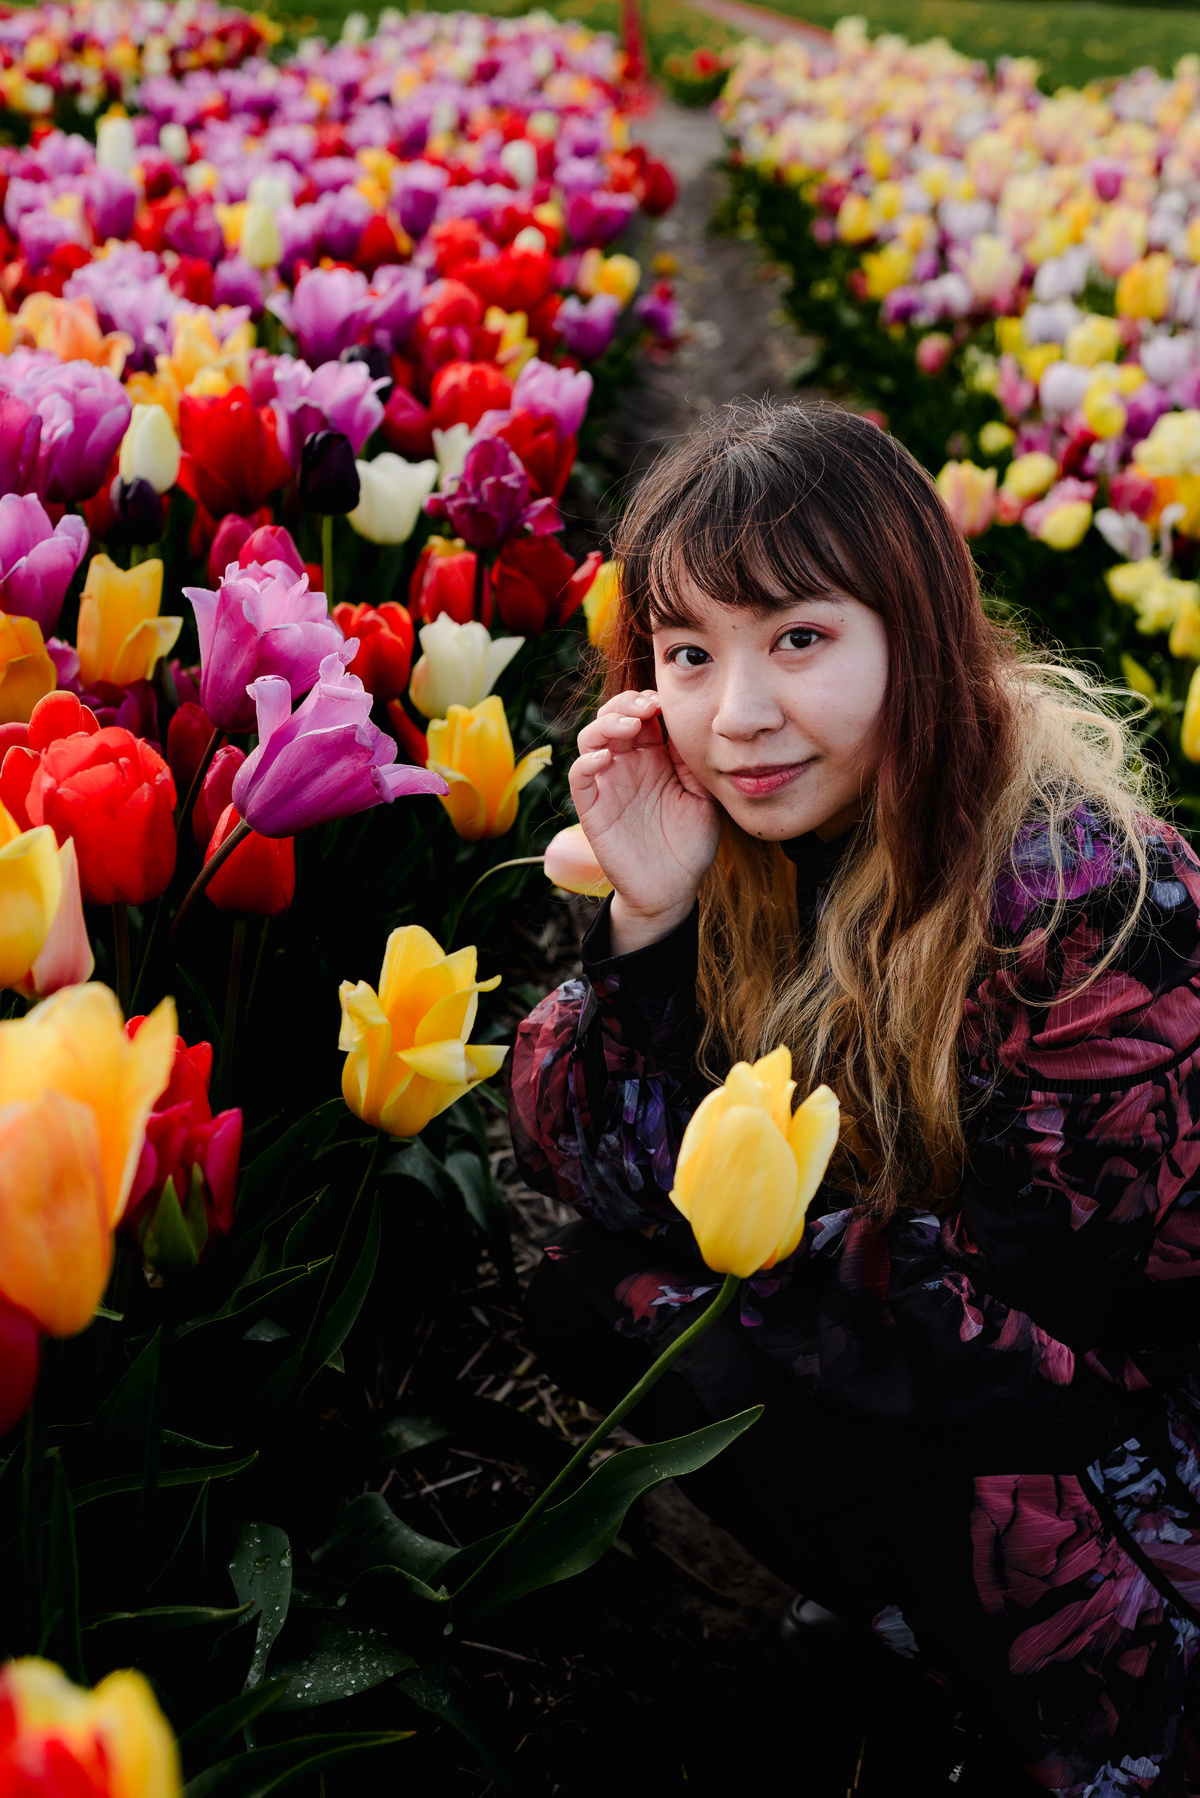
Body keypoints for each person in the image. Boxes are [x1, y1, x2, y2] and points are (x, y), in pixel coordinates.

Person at [508, 402, 1200, 1796]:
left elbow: (1042, 1350)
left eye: (799, 639)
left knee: (715, 1325)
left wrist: (752, 1226)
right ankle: (927, 1627)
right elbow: (592, 1166)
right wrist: (652, 923)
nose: (738, 714)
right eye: (689, 654)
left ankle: (1103, 1715)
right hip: (962, 1408)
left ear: (917, 632)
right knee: (608, 1292)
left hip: (1133, 1464)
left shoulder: (1087, 909)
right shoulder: (766, 846)